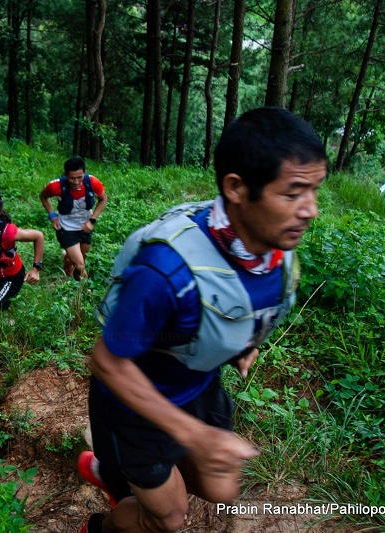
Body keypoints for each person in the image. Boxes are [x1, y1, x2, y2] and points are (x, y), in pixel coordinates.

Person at [78, 106, 328, 533]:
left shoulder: (276, 256)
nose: (310, 210)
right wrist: (194, 436)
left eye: (314, 192)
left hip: (197, 386)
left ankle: (114, 472)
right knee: (169, 519)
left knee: (220, 490)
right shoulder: (167, 272)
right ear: (236, 187)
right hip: (134, 404)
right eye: (293, 193)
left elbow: (240, 310)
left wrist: (243, 346)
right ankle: (101, 525)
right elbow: (107, 362)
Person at [0, 189, 45, 328]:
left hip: (9, 277)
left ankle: (10, 321)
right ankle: (0, 312)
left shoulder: (7, 232)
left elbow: (38, 236)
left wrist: (36, 268)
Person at [39, 156, 108, 280]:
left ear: (84, 173)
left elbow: (103, 199)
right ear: (66, 175)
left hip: (85, 226)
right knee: (80, 265)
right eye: (72, 178)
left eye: (79, 177)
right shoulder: (55, 186)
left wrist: (92, 220)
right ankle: (87, 291)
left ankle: (69, 261)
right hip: (66, 227)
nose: (76, 182)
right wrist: (53, 216)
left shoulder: (92, 182)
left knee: (82, 259)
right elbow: (43, 196)